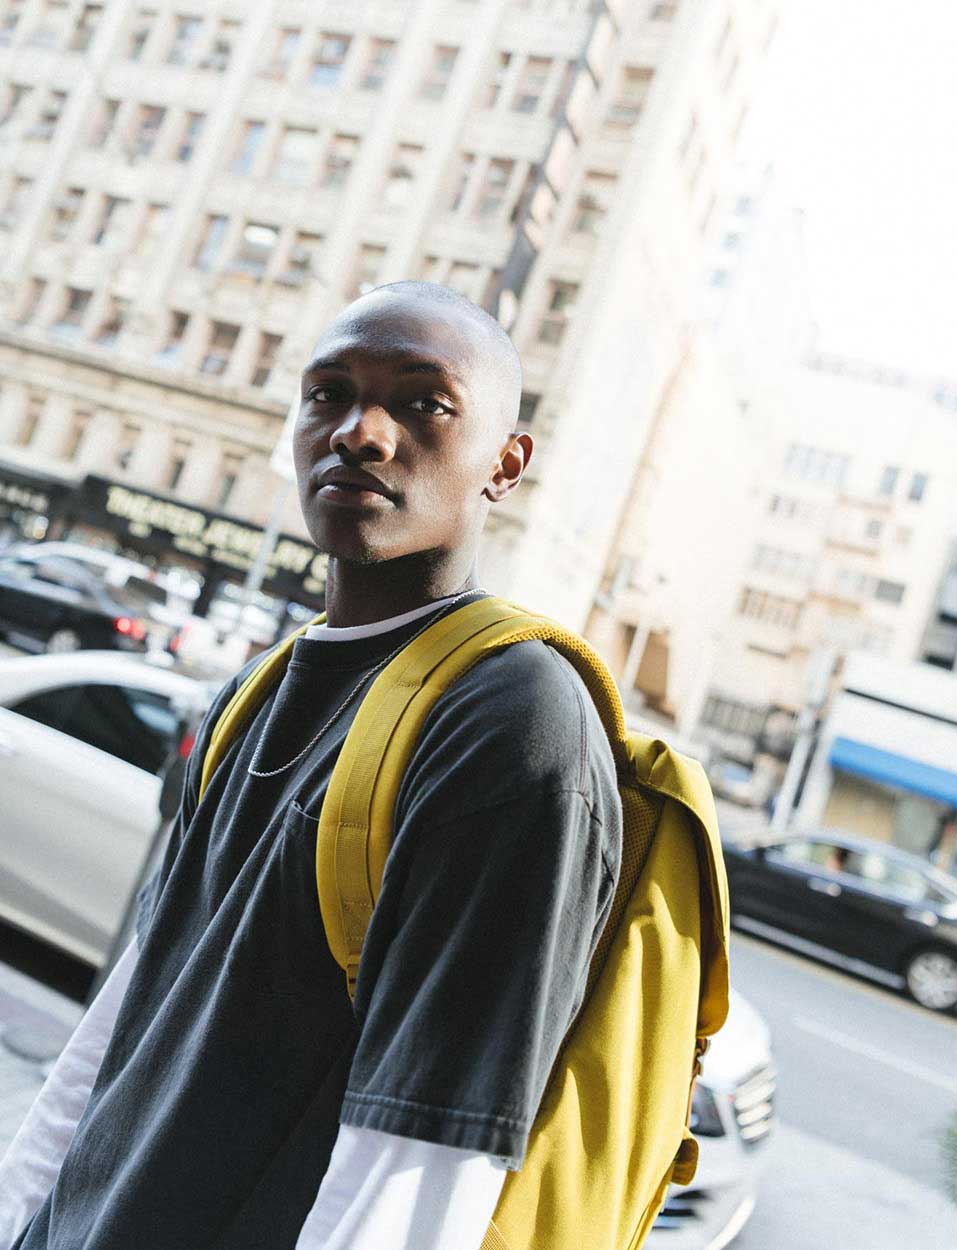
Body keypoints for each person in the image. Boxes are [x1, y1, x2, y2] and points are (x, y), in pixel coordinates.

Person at [0, 282, 623, 1250]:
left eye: (423, 402)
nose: (359, 432)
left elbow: (421, 1165)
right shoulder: (257, 683)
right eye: (327, 393)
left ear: (505, 463)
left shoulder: (512, 720)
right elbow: (126, 1013)